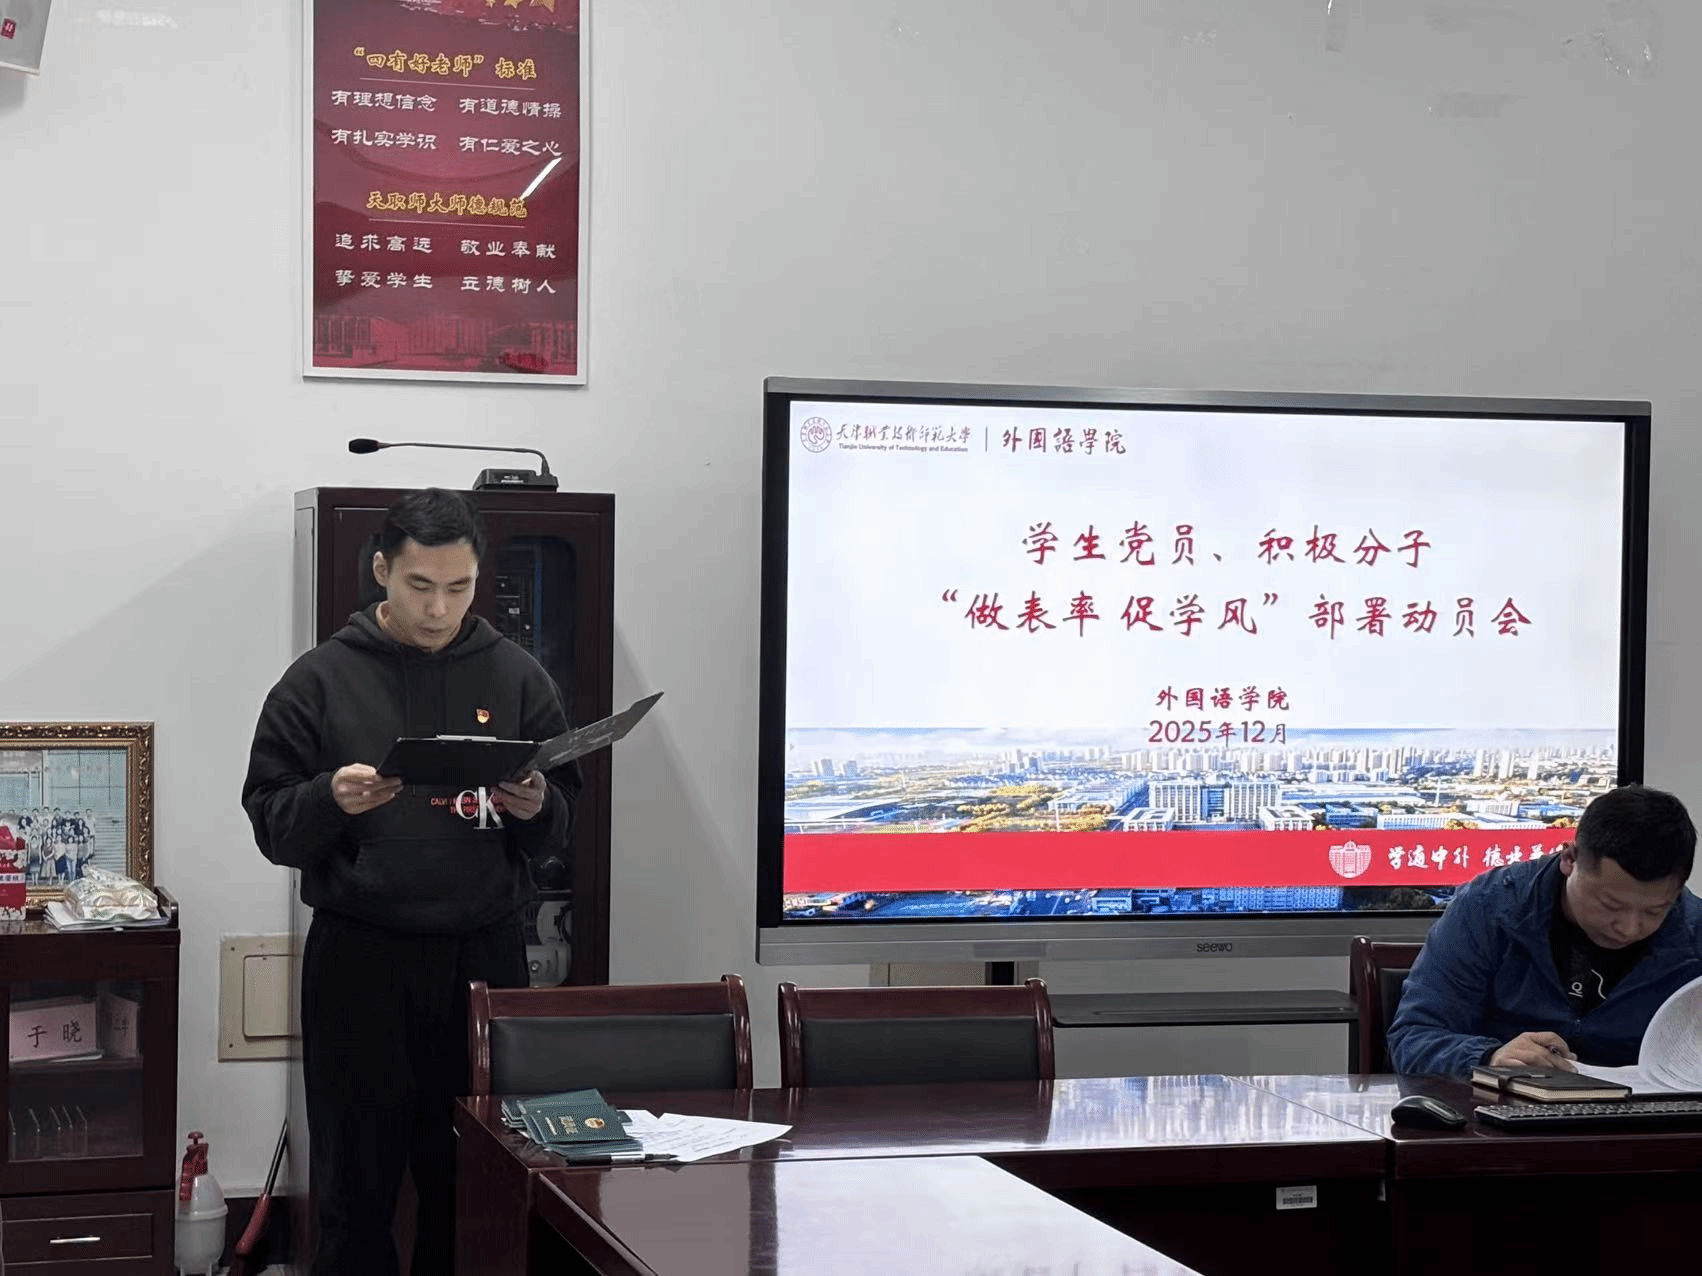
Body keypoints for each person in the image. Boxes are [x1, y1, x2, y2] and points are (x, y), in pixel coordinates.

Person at [241, 488, 581, 1276]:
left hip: (483, 958)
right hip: (361, 959)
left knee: (473, 1182)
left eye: (459, 588)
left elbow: (563, 822)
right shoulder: (318, 680)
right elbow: (269, 821)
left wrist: (537, 806)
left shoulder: (517, 676)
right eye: (420, 586)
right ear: (381, 571)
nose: (438, 609)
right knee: (354, 1188)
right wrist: (328, 799)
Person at [1389, 783, 1702, 1077]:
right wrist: (1489, 1057)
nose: (1629, 928)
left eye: (1655, 911)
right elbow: (1413, 1040)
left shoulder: (1694, 931)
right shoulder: (1489, 908)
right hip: (1499, 1109)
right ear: (1569, 859)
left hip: (1647, 1113)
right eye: (1611, 905)